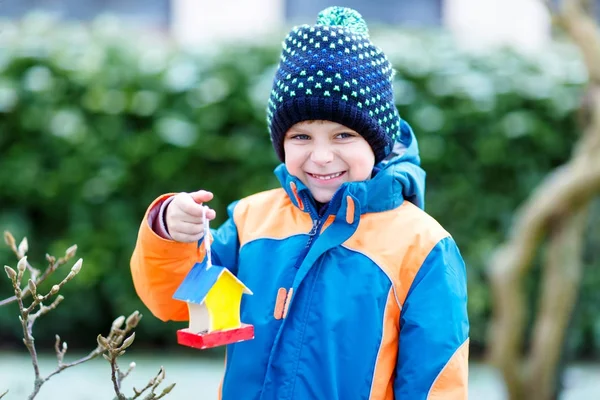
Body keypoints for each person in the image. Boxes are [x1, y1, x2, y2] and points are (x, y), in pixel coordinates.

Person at [130, 6, 469, 399]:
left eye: (343, 136)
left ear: (376, 143)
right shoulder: (250, 221)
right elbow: (174, 300)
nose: (321, 156)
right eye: (301, 137)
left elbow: (436, 381)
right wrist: (169, 232)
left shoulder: (423, 246)